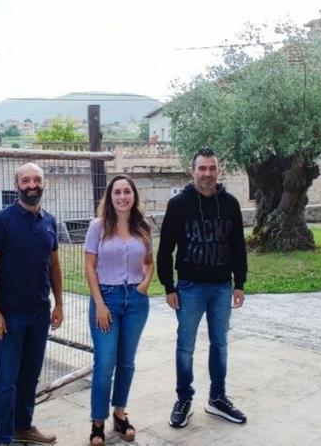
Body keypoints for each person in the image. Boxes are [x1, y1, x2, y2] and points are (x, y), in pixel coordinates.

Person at [157, 147, 248, 428]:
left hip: (222, 286)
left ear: (218, 170)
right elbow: (165, 250)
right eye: (202, 168)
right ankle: (184, 399)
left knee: (219, 344)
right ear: (192, 170)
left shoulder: (230, 204)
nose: (207, 173)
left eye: (212, 168)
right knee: (185, 347)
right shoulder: (178, 205)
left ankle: (217, 398)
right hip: (190, 287)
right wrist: (169, 287)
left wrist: (240, 283)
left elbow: (238, 247)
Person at [0, 162, 64, 446]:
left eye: (37, 180)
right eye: (26, 180)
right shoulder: (1, 221)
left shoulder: (49, 221)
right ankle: (3, 439)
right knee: (7, 382)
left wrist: (59, 304)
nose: (32, 185)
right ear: (17, 185)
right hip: (9, 316)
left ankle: (23, 427)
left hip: (40, 313)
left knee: (30, 377)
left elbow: (54, 266)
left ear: (44, 184)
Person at [83, 175, 153, 446]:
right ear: (110, 198)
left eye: (127, 192)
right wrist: (100, 303)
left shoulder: (143, 226)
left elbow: (148, 261)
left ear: (133, 196)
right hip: (107, 300)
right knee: (104, 363)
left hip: (136, 301)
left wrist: (144, 285)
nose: (122, 196)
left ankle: (120, 415)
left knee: (127, 362)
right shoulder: (98, 226)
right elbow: (90, 266)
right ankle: (97, 422)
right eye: (117, 193)